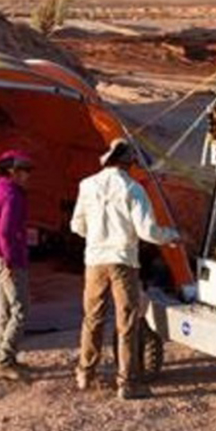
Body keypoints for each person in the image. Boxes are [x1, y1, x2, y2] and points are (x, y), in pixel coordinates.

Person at [70, 138, 180, 400]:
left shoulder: (87, 185)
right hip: (123, 261)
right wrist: (173, 236)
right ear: (128, 162)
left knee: (92, 318)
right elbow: (148, 231)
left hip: (95, 261)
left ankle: (86, 372)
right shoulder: (133, 189)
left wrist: (97, 236)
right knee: (127, 322)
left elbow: (77, 226)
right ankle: (127, 383)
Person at [0, 150, 33, 381]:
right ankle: (3, 361)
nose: (28, 175)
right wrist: (11, 261)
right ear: (12, 171)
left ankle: (1, 358)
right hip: (7, 257)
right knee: (21, 309)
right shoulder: (12, 195)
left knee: (5, 310)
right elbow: (6, 231)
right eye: (25, 170)